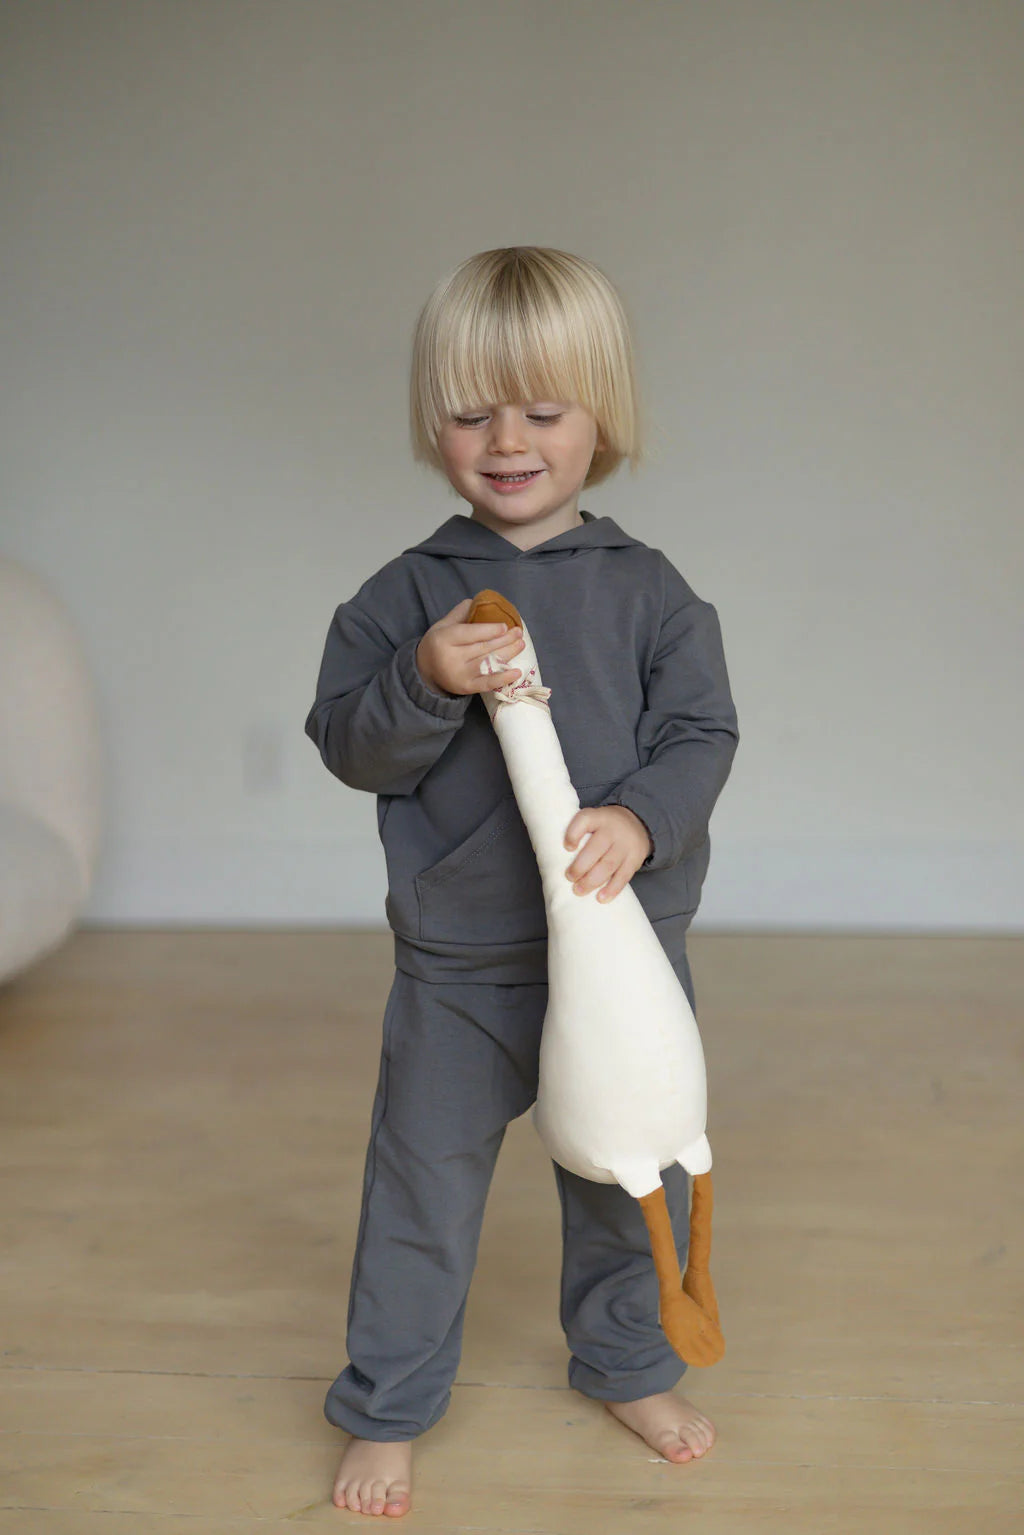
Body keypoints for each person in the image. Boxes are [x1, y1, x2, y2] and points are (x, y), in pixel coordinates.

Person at [305, 246, 739, 1518]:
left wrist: (640, 820)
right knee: (422, 1190)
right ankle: (388, 1404)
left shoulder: (652, 591)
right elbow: (350, 745)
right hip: (463, 964)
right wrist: (424, 679)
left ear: (601, 417)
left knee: (628, 1177)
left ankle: (627, 1362)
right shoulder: (399, 599)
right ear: (429, 422)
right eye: (469, 412)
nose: (506, 441)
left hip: (622, 959)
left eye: (543, 410)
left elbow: (701, 735)